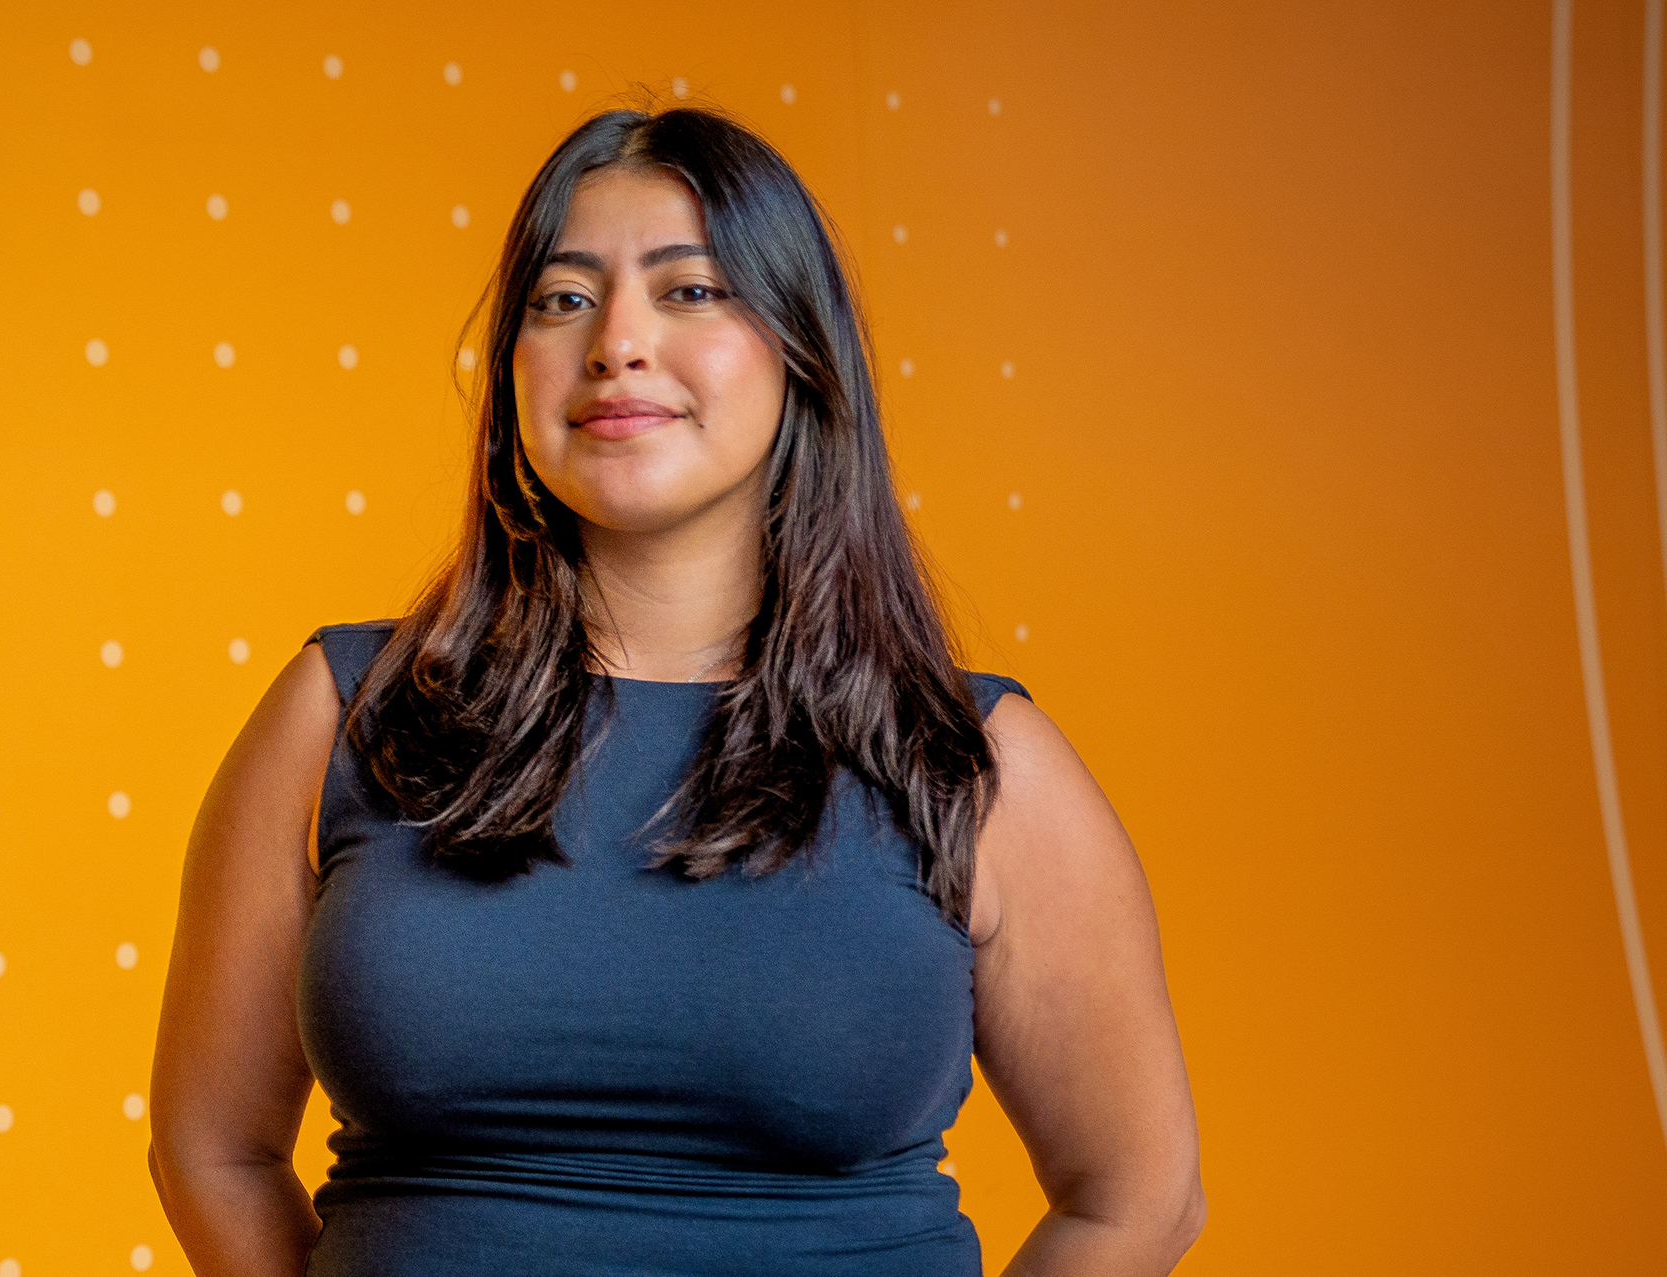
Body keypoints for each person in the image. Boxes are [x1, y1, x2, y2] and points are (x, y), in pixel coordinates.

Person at [146, 106, 1204, 1276]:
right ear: (512, 375)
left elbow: (1137, 1196)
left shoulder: (973, 757)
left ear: (802, 349)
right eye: (562, 298)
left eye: (690, 290)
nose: (617, 342)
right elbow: (214, 1148)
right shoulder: (343, 712)